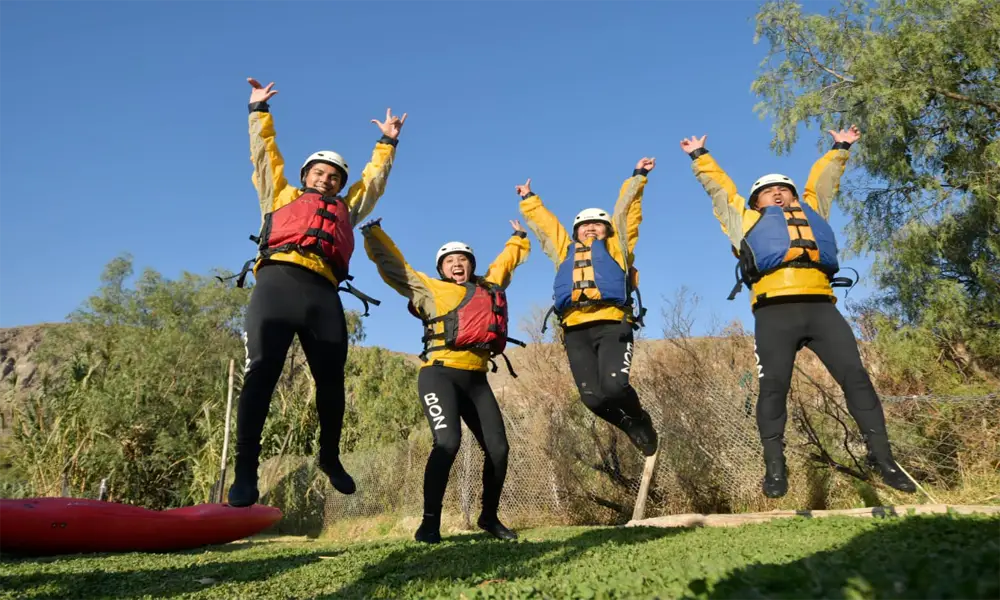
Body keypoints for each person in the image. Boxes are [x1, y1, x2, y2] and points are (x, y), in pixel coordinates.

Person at [680, 126, 916, 498]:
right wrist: (700, 157)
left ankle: (883, 459)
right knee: (773, 388)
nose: (777, 192)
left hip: (821, 309)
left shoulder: (812, 211)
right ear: (756, 202)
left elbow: (824, 182)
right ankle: (775, 467)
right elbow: (720, 190)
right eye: (767, 191)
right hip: (774, 313)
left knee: (856, 378)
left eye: (784, 188)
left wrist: (840, 148)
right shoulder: (745, 221)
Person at [225, 77, 407, 508]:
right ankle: (245, 473)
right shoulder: (280, 194)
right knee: (261, 375)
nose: (327, 180)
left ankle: (328, 456)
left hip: (323, 294)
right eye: (319, 173)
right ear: (307, 175)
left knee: (331, 382)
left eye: (334, 177)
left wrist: (387, 142)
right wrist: (258, 112)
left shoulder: (348, 207)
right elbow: (264, 155)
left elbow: (373, 181)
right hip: (278, 285)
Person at [359, 216, 530, 543]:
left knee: (499, 449)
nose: (457, 264)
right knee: (448, 442)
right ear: (441, 268)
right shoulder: (429, 289)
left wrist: (519, 238)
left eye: (463, 260)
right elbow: (396, 267)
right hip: (439, 375)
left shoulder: (489, 287)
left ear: (471, 266)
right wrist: (374, 233)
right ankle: (429, 523)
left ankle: (489, 517)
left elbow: (506, 264)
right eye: (450, 261)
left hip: (477, 380)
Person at [517, 159, 659, 457]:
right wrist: (530, 201)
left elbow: (628, 213)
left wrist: (638, 177)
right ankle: (629, 425)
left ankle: (639, 419)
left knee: (615, 388)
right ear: (576, 232)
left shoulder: (617, 248)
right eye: (584, 226)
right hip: (575, 330)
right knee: (592, 399)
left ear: (607, 230)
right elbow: (547, 227)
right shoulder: (563, 252)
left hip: (612, 324)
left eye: (597, 225)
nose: (590, 229)